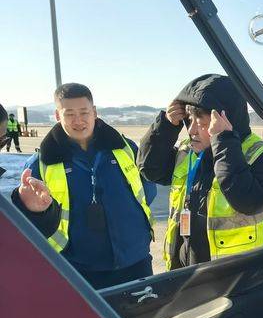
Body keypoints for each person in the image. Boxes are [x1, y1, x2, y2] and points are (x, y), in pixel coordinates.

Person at [12, 83, 156, 289]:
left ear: (94, 112)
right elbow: (31, 226)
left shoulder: (125, 148)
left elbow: (147, 192)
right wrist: (34, 211)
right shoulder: (42, 164)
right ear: (57, 115)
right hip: (79, 269)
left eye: (84, 112)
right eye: (69, 114)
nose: (78, 120)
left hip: (136, 260)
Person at [138, 74, 263, 270]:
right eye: (189, 121)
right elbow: (150, 169)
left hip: (233, 276)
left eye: (202, 124)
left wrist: (224, 141)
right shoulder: (188, 152)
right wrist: (166, 126)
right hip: (184, 271)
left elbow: (249, 200)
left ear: (225, 121)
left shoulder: (262, 156)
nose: (192, 131)